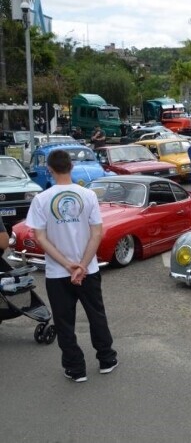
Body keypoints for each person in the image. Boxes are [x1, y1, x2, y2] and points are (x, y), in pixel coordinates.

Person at [26, 149, 117, 382]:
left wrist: (68, 265)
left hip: (58, 273)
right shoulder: (88, 195)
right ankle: (106, 359)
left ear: (50, 169)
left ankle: (76, 370)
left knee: (64, 322)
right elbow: (97, 233)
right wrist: (82, 266)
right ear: (72, 167)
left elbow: (40, 238)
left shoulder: (41, 199)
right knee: (96, 315)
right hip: (89, 271)